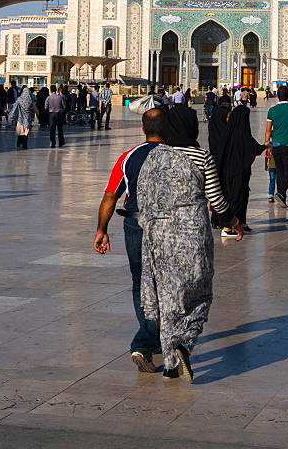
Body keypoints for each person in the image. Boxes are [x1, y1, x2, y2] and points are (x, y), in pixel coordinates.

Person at [137, 104, 243, 380]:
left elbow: (141, 197)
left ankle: (172, 365)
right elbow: (217, 201)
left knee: (167, 299)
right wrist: (234, 223)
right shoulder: (201, 157)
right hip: (192, 234)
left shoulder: (154, 157)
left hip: (158, 235)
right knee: (200, 293)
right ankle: (184, 343)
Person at [94, 103, 167, 372]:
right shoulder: (176, 155)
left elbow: (111, 195)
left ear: (142, 128)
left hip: (135, 225)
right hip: (166, 227)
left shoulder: (129, 156)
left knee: (141, 283)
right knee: (166, 283)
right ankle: (148, 340)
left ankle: (148, 339)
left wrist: (101, 230)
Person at [211, 104, 265, 235]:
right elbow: (253, 149)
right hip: (237, 172)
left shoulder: (229, 131)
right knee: (235, 197)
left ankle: (241, 223)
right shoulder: (242, 133)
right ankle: (228, 228)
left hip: (229, 171)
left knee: (239, 196)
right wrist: (265, 147)